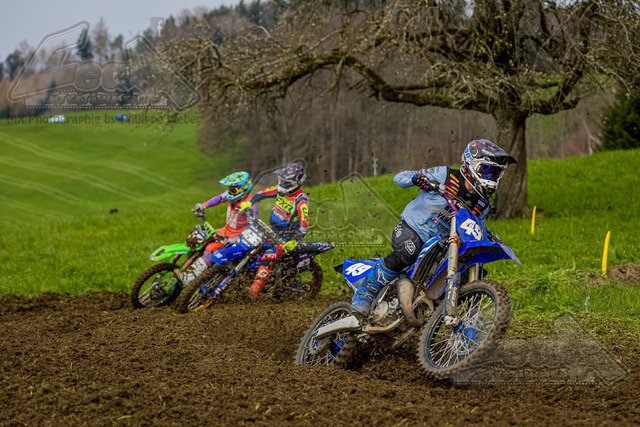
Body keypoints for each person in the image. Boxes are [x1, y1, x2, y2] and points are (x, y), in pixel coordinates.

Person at [351, 139, 516, 316]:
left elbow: (475, 225)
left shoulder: (482, 204)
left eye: (496, 173)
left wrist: (487, 236)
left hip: (442, 245)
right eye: (487, 171)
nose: (491, 178)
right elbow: (399, 178)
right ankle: (365, 293)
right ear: (470, 165)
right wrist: (417, 179)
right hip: (413, 229)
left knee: (466, 268)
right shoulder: (446, 175)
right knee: (408, 252)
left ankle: (467, 319)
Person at [243, 162, 310, 298]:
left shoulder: (300, 199)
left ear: (296, 183)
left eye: (286, 183)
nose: (282, 185)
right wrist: (250, 202)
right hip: (272, 230)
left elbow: (305, 224)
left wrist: (294, 240)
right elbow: (262, 193)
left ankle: (255, 289)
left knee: (269, 254)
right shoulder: (280, 191)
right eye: (281, 181)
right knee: (251, 245)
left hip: (287, 237)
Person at [181, 171, 258, 284]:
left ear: (243, 189)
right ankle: (190, 266)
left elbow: (252, 227)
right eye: (230, 188)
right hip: (225, 231)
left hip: (236, 237)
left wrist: (237, 239)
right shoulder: (232, 195)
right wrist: (204, 205)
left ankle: (189, 278)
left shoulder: (250, 204)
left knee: (210, 248)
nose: (230, 191)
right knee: (201, 238)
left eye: (233, 189)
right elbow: (220, 198)